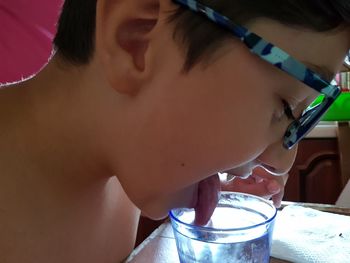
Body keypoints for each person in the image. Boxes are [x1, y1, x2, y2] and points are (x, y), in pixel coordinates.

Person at [0, 0, 348, 262]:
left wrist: (213, 185)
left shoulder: (123, 162)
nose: (282, 161)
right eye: (285, 107)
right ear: (135, 40)